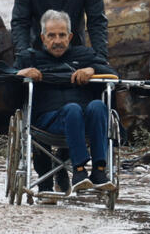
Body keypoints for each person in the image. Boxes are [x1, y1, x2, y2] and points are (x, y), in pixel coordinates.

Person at [14, 10, 117, 193]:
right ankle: (78, 171)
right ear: (43, 38)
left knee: (98, 106)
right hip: (48, 122)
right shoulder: (30, 59)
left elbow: (113, 74)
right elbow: (5, 76)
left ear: (70, 37)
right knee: (72, 109)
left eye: (62, 35)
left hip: (83, 121)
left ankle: (99, 171)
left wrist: (92, 70)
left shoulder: (85, 56)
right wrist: (20, 73)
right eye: (51, 35)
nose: (57, 41)